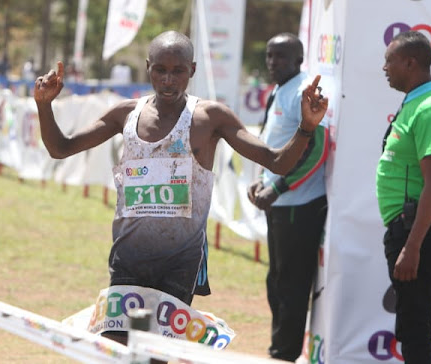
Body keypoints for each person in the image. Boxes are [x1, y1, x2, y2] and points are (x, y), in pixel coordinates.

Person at [34, 30, 328, 345]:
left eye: (178, 71)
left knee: (154, 351)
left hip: (180, 262)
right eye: (160, 69)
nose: (168, 80)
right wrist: (44, 105)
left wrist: (306, 127)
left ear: (193, 70)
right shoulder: (126, 114)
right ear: (148, 67)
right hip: (128, 258)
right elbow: (61, 149)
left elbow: (277, 162)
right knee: (119, 347)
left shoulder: (209, 118)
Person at [377, 31, 431, 364]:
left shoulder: (430, 110)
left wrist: (412, 248)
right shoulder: (415, 102)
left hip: (419, 232)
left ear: (410, 63)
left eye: (389, 61)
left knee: (415, 326)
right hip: (410, 228)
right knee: (411, 324)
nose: (384, 68)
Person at [246, 33, 328, 362]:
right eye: (269, 56)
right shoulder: (281, 89)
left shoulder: (305, 92)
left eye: (280, 57)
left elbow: (317, 149)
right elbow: (272, 141)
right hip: (278, 205)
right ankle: (279, 350)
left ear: (298, 60)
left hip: (299, 207)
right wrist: (260, 181)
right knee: (276, 281)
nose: (271, 63)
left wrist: (277, 187)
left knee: (291, 286)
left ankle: (284, 354)